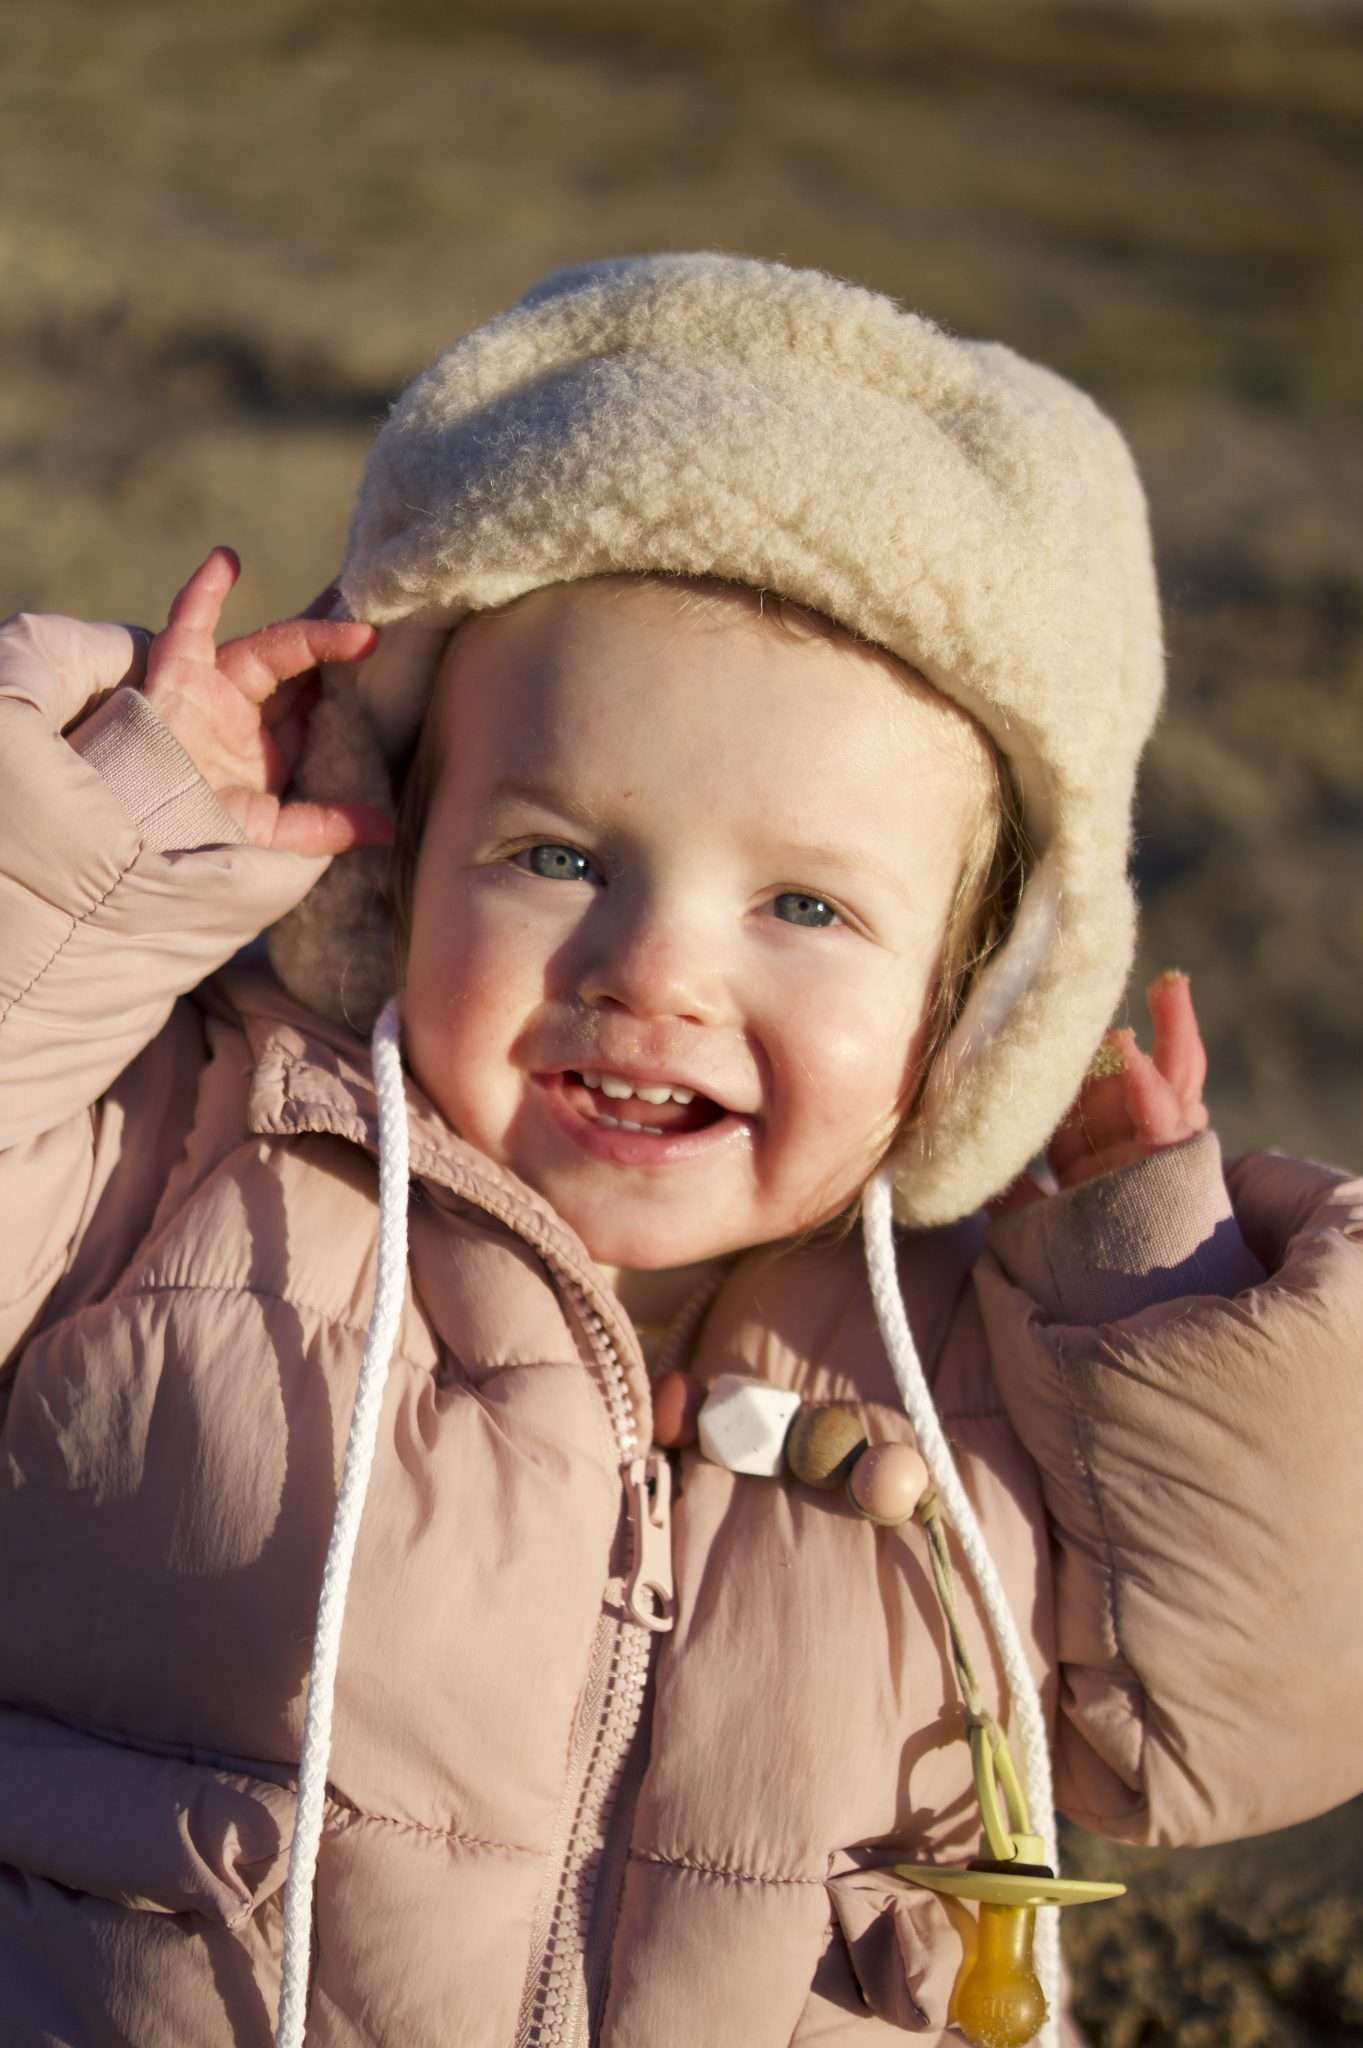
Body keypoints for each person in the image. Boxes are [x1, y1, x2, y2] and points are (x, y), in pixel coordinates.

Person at [0, 253, 1358, 2048]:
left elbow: (1230, 1730)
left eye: (805, 905)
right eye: (557, 857)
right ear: (399, 861)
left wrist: (1154, 1298)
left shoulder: (997, 1369)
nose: (652, 970)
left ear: (977, 997)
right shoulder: (185, 1160)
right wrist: (107, 846)